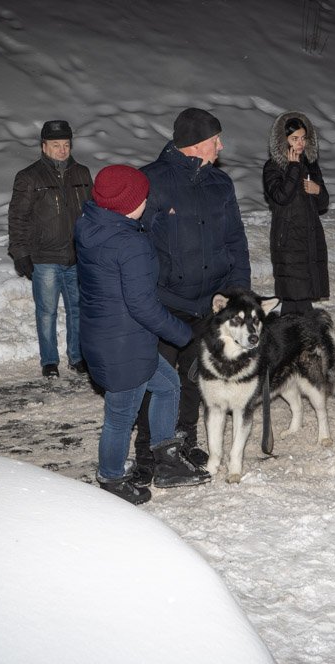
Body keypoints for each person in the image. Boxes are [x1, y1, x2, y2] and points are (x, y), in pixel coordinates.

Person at [75, 164, 211, 504]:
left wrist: (158, 219)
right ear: (128, 204)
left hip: (108, 336)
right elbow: (143, 306)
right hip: (126, 345)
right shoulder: (131, 246)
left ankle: (166, 460)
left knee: (168, 386)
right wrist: (182, 333)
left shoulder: (90, 225)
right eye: (143, 197)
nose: (147, 201)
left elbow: (124, 233)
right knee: (120, 417)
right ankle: (111, 479)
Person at [136, 107, 251, 468]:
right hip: (165, 305)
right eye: (216, 140)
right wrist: (149, 295)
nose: (221, 146)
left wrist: (238, 294)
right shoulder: (151, 181)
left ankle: (185, 438)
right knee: (155, 380)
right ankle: (148, 449)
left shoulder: (220, 183)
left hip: (210, 305)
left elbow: (236, 240)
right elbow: (138, 245)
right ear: (197, 144)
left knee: (195, 377)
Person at [7, 120, 93, 378]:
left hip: (76, 257)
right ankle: (49, 361)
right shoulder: (29, 177)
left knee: (79, 310)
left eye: (66, 144)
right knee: (47, 312)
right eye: (56, 145)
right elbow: (18, 218)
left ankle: (77, 357)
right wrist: (20, 253)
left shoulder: (82, 174)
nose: (62, 150)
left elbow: (92, 213)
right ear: (44, 146)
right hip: (44, 257)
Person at [263, 111, 330, 314]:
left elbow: (323, 204)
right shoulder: (273, 167)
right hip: (289, 240)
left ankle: (298, 332)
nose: (300, 143)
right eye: (294, 139)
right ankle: (301, 332)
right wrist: (293, 168)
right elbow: (281, 197)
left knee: (302, 296)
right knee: (294, 296)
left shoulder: (310, 165)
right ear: (283, 140)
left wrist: (318, 191)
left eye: (303, 138)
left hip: (310, 237)